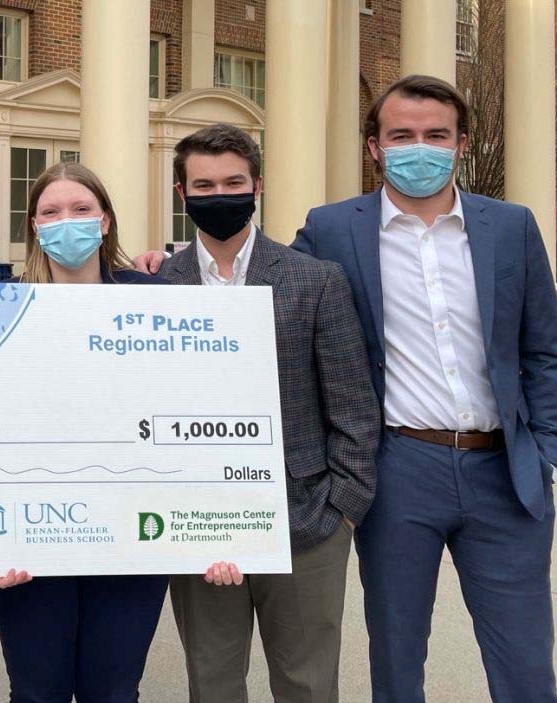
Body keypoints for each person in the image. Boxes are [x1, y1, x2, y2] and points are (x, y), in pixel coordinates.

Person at [135, 75, 557, 702]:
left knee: (525, 661)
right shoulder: (334, 231)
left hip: (504, 469)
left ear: (461, 144)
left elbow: (542, 349)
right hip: (400, 466)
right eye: (402, 135)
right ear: (375, 146)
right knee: (395, 654)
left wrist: (545, 447)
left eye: (436, 135)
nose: (420, 148)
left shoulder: (511, 227)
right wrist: (153, 269)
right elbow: (259, 283)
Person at [158, 123, 379, 702]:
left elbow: (353, 406)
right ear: (181, 195)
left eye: (234, 181)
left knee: (307, 686)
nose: (219, 194)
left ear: (257, 186)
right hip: (195, 527)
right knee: (213, 685)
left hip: (304, 523)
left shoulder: (315, 280)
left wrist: (343, 510)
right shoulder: (156, 285)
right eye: (203, 185)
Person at [0, 162, 169, 703]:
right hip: (26, 541)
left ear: (106, 220)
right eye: (52, 212)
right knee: (37, 690)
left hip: (130, 536)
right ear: (35, 227)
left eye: (82, 209)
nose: (68, 221)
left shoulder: (154, 297)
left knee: (114, 691)